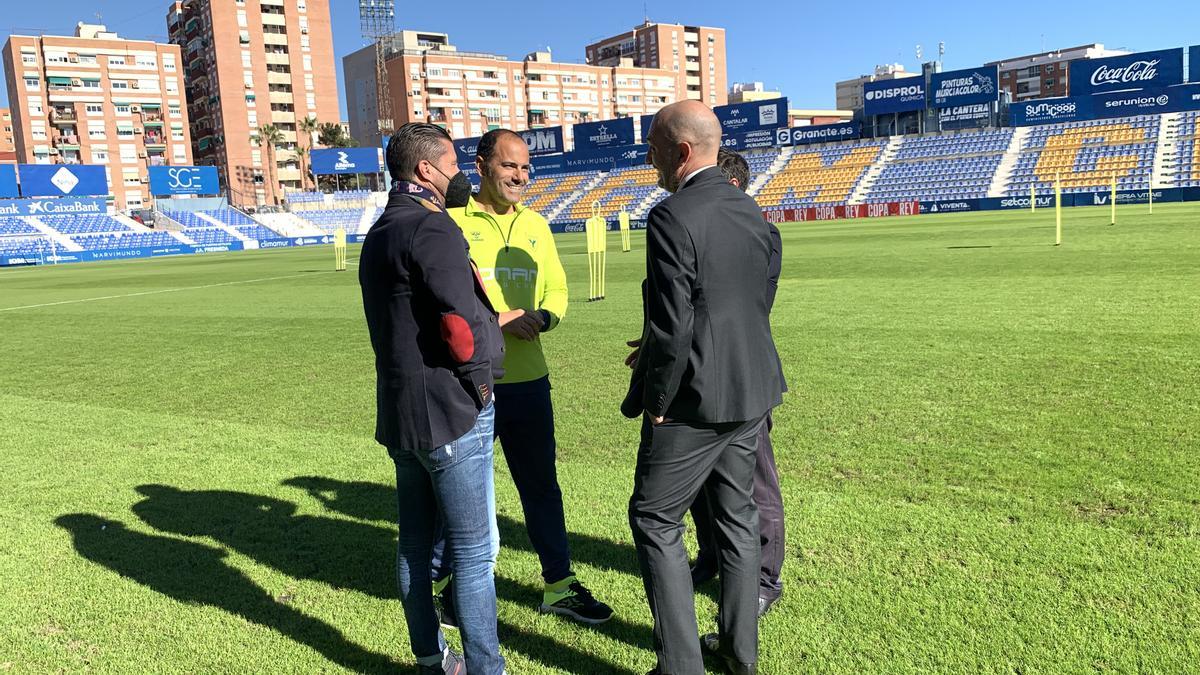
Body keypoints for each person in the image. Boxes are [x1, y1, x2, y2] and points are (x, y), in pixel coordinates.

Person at [623, 101, 784, 675]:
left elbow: (673, 324)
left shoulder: (673, 215)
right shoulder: (751, 210)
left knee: (654, 518)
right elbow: (746, 303)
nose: (650, 159)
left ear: (681, 151)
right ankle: (741, 655)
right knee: (736, 518)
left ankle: (681, 667)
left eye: (654, 148)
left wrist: (658, 400)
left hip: (696, 400)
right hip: (752, 389)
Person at [442, 128, 614, 624]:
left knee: (541, 487)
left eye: (525, 168)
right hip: (471, 383)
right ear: (481, 166)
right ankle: (455, 589)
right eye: (508, 166)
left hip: (530, 380)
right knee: (468, 494)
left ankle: (559, 586)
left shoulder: (537, 224)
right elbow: (445, 303)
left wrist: (544, 317)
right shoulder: (451, 223)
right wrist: (498, 322)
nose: (519, 176)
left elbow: (558, 288)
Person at [359, 122, 506, 675]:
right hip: (448, 411)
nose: (459, 174)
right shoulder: (431, 225)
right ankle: (486, 668)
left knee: (415, 547)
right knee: (472, 555)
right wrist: (482, 385)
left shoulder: (381, 229)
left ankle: (429, 658)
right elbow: (459, 324)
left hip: (401, 414)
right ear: (426, 170)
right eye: (452, 163)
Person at [687, 148, 787, 618]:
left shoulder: (761, 234)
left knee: (755, 481)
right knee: (702, 477)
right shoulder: (694, 225)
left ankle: (766, 576)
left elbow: (744, 306)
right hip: (698, 370)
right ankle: (711, 554)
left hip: (743, 373)